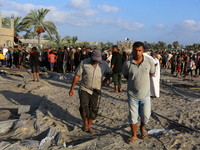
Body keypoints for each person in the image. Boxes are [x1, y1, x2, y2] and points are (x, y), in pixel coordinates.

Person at [69, 50, 112, 133]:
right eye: (94, 59)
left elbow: (110, 72)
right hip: (84, 88)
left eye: (97, 59)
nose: (96, 61)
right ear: (91, 57)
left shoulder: (104, 64)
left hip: (97, 89)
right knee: (84, 105)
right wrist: (72, 88)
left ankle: (89, 126)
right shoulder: (83, 63)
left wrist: (105, 80)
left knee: (94, 108)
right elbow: (77, 75)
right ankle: (85, 123)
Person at [122, 42, 155, 144]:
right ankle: (134, 135)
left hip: (145, 95)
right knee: (133, 116)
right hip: (132, 95)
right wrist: (135, 81)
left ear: (143, 51)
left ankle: (142, 127)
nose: (137, 53)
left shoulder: (149, 61)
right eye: (135, 50)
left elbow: (151, 73)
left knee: (146, 116)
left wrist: (143, 81)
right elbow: (126, 75)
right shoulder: (127, 63)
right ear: (132, 50)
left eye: (139, 50)